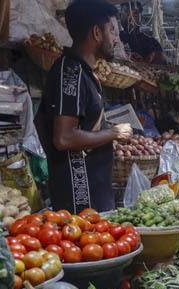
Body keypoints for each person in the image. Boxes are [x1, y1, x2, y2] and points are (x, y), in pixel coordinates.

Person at [36, 0, 131, 214]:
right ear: (97, 33)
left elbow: (40, 121)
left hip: (87, 191)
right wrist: (113, 133)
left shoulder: (79, 71)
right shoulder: (72, 74)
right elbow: (64, 138)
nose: (116, 39)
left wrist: (57, 163)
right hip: (81, 199)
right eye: (113, 31)